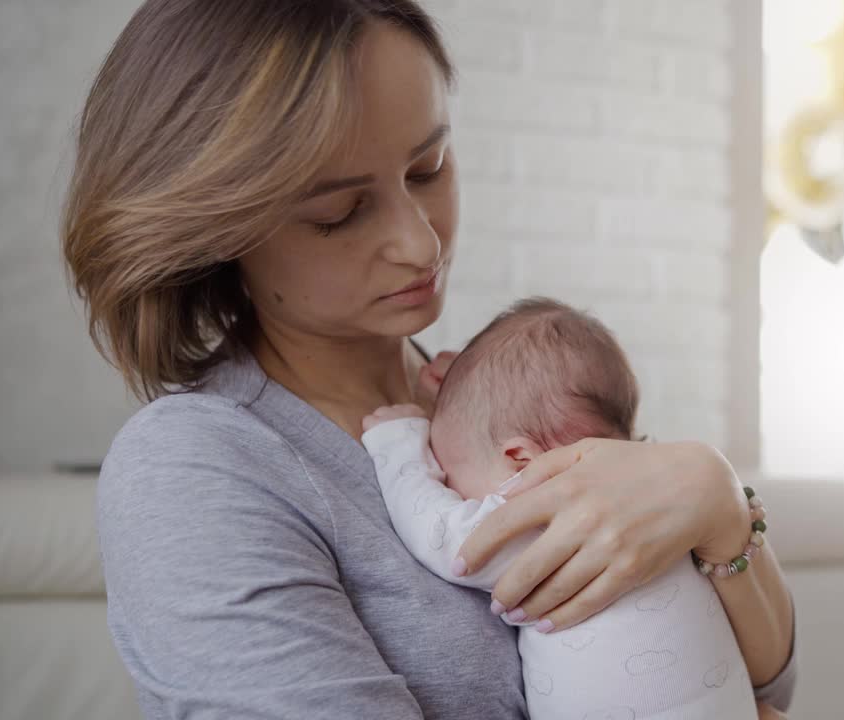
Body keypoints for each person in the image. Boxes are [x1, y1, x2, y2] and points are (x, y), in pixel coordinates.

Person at [62, 2, 796, 718]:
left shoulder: (504, 394)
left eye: (428, 168)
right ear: (219, 225)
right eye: (339, 213)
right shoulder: (194, 466)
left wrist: (719, 503)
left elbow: (752, 680)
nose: (421, 244)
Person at [363, 297, 764, 719]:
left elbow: (445, 539)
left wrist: (400, 443)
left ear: (520, 459)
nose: (451, 490)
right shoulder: (657, 505)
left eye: (449, 474)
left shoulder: (559, 517)